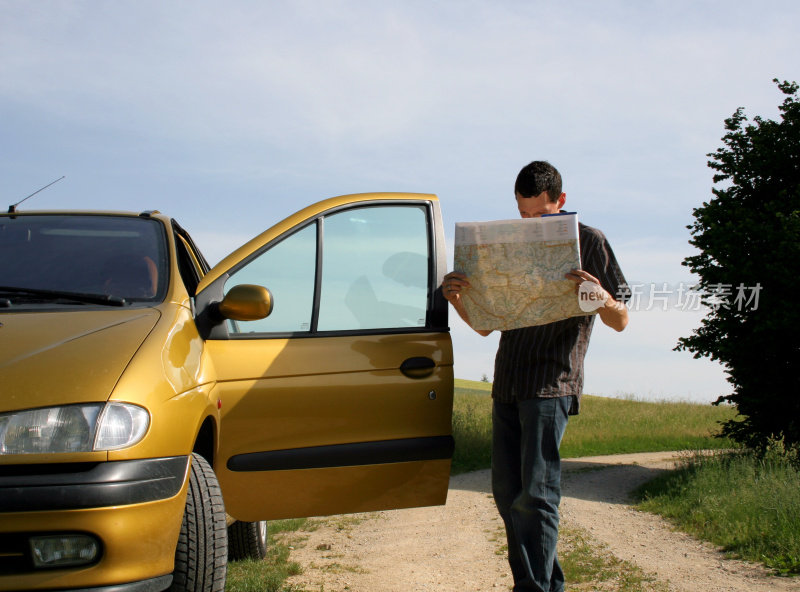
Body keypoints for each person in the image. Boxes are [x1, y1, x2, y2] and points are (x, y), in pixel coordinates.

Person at [442, 161, 629, 592]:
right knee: (508, 495)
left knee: (537, 495)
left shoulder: (590, 241)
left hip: (552, 383)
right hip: (507, 380)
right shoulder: (507, 244)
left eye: (539, 215)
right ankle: (540, 585)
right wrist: (459, 300)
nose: (529, 223)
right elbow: (487, 326)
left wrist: (600, 298)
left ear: (560, 202)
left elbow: (621, 319)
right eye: (522, 215)